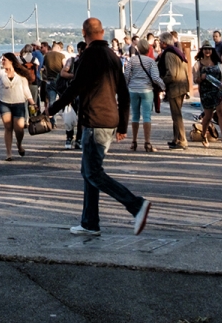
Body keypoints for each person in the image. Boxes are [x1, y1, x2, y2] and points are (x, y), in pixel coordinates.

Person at [48, 17, 151, 237]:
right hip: (110, 119)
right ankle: (89, 222)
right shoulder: (113, 56)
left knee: (93, 172)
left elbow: (75, 87)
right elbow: (123, 93)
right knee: (88, 171)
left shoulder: (89, 55)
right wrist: (123, 124)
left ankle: (135, 205)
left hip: (95, 121)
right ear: (102, 32)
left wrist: (52, 109)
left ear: (84, 33)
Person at [123, 42, 160, 153]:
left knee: (135, 115)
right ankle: (147, 142)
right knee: (147, 116)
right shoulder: (151, 61)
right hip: (147, 89)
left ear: (138, 49)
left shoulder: (132, 60)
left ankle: (134, 142)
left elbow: (126, 75)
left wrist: (126, 87)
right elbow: (155, 78)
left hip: (133, 89)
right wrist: (163, 87)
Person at [158, 33, 191, 150]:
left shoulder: (168, 54)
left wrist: (161, 81)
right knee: (176, 113)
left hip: (175, 87)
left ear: (164, 42)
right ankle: (176, 138)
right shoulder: (177, 52)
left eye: (160, 41)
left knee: (176, 115)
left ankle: (182, 140)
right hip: (182, 85)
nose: (159, 43)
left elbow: (171, 74)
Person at [0, 55, 33, 160]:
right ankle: (9, 153)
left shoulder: (21, 76)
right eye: (2, 60)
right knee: (8, 127)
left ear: (11, 61)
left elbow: (26, 90)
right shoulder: (0, 74)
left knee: (19, 128)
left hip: (19, 103)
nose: (2, 61)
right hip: (4, 103)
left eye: (4, 60)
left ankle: (19, 144)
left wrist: (32, 102)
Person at [195, 49, 222, 148]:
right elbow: (195, 79)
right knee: (208, 116)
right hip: (206, 92)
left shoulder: (218, 63)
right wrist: (201, 78)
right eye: (205, 49)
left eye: (209, 49)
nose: (207, 51)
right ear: (202, 51)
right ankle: (203, 134)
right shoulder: (198, 64)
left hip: (218, 90)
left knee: (220, 112)